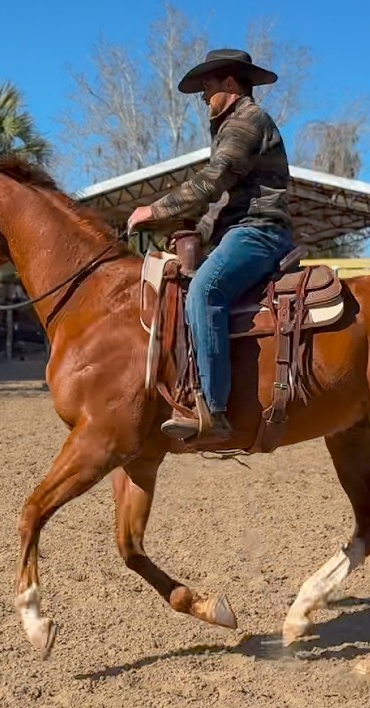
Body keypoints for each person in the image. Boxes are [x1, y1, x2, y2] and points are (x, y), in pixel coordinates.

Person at [127, 48, 296, 443]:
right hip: (240, 227)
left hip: (260, 230)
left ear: (231, 85)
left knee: (205, 291)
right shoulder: (232, 125)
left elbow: (212, 181)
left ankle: (213, 409)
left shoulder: (247, 121)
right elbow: (222, 201)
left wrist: (153, 209)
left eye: (208, 87)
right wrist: (196, 233)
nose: (204, 97)